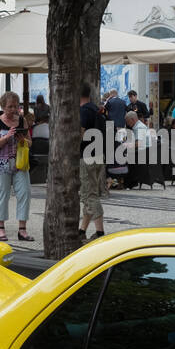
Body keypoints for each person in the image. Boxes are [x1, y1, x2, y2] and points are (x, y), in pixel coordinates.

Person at [0, 90, 32, 242]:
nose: (14, 110)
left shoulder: (22, 120)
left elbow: (30, 142)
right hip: (1, 164)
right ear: (3, 106)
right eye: (10, 107)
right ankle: (0, 228)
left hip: (20, 163)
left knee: (25, 193)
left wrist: (22, 140)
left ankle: (22, 229)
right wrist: (6, 137)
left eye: (16, 106)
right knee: (2, 194)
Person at [78, 83, 107, 242]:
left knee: (90, 195)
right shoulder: (96, 109)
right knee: (90, 192)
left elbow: (80, 135)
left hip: (86, 157)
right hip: (98, 155)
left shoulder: (83, 111)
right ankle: (82, 230)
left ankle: (100, 232)